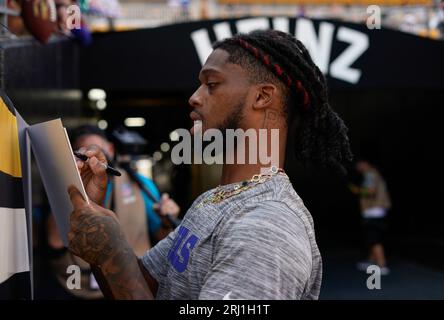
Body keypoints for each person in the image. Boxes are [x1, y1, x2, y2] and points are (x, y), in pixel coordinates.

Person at [66, 29, 352, 299]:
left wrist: (111, 249)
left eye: (211, 85)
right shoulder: (213, 201)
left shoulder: (266, 225)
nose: (194, 97)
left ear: (262, 96)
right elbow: (144, 285)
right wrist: (97, 217)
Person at [46, 125, 180, 299]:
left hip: (132, 284)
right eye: (83, 154)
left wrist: (167, 220)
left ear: (111, 149)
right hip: (80, 287)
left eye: (98, 150)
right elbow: (54, 243)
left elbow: (162, 238)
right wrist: (69, 186)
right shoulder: (68, 189)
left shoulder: (140, 185)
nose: (92, 159)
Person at [350, 159, 391, 275]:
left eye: (358, 165)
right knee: (372, 237)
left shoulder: (370, 174)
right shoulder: (374, 173)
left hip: (373, 211)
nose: (357, 168)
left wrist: (357, 190)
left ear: (364, 163)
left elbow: (370, 191)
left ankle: (382, 265)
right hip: (376, 211)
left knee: (374, 238)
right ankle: (372, 261)